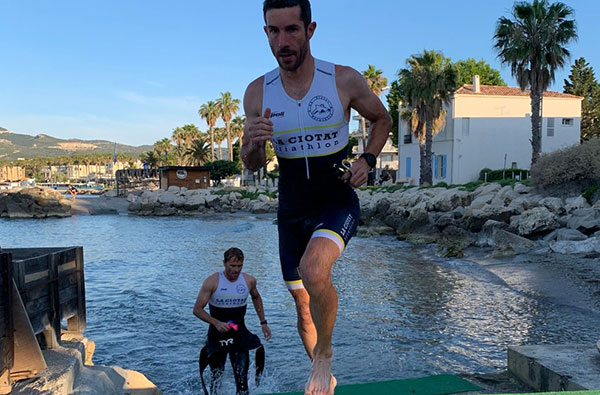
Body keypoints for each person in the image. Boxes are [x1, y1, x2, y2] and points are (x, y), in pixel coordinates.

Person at [241, 1, 392, 393]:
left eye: (292, 30)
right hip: (291, 209)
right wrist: (254, 145)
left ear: (310, 30)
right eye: (274, 32)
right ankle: (327, 380)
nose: (283, 41)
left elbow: (382, 118)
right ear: (266, 33)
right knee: (303, 311)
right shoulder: (257, 92)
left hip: (335, 198)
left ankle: (324, 354)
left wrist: (368, 159)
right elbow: (253, 163)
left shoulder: (342, 80)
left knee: (314, 270)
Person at [193, 247, 271, 395]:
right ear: (224, 263)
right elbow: (197, 309)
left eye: (239, 266)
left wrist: (263, 322)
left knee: (242, 384)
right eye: (233, 266)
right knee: (216, 380)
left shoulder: (249, 281)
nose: (236, 270)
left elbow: (256, 297)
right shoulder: (212, 282)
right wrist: (215, 322)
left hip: (238, 334)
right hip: (217, 336)